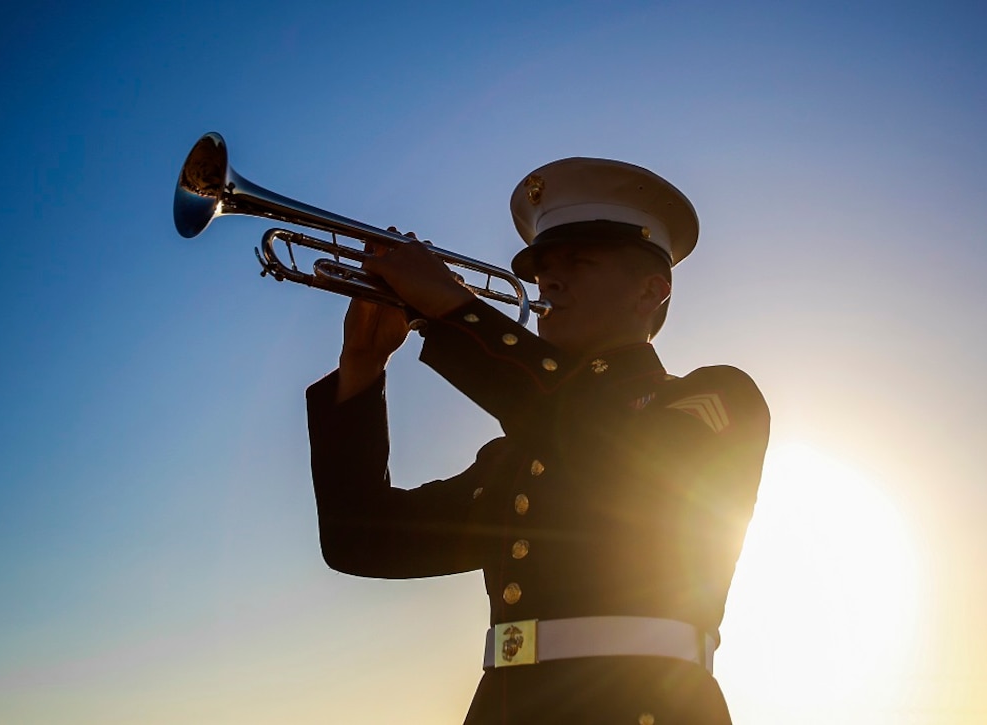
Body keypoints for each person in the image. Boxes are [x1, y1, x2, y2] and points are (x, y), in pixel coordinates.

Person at [305, 157, 770, 724]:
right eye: (544, 268)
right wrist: (362, 366)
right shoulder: (521, 452)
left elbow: (615, 458)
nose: (549, 280)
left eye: (579, 261)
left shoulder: (717, 396)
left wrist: (454, 310)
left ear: (651, 290)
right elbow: (361, 540)